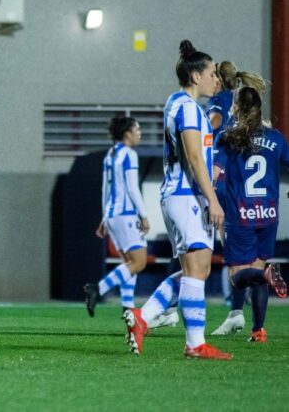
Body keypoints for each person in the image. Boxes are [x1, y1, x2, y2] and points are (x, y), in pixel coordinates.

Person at [124, 40, 231, 359]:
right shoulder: (185, 107)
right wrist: (213, 199)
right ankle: (195, 343)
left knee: (195, 269)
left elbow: (198, 156)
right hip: (186, 197)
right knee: (197, 270)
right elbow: (193, 157)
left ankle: (143, 318)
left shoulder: (180, 104)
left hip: (182, 195)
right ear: (196, 76)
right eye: (212, 73)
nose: (217, 79)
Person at [211, 86, 289, 342]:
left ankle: (266, 275)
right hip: (268, 214)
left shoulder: (228, 137)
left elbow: (214, 172)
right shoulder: (276, 138)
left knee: (237, 278)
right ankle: (258, 330)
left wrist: (207, 197)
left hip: (241, 215)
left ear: (235, 107)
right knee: (258, 268)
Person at [84, 117, 149, 316]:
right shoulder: (129, 154)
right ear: (127, 134)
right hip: (126, 215)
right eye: (137, 129)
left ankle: (129, 311)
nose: (140, 133)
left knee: (129, 264)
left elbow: (106, 189)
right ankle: (98, 288)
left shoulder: (110, 155)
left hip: (113, 216)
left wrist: (105, 218)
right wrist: (144, 215)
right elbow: (132, 188)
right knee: (139, 262)